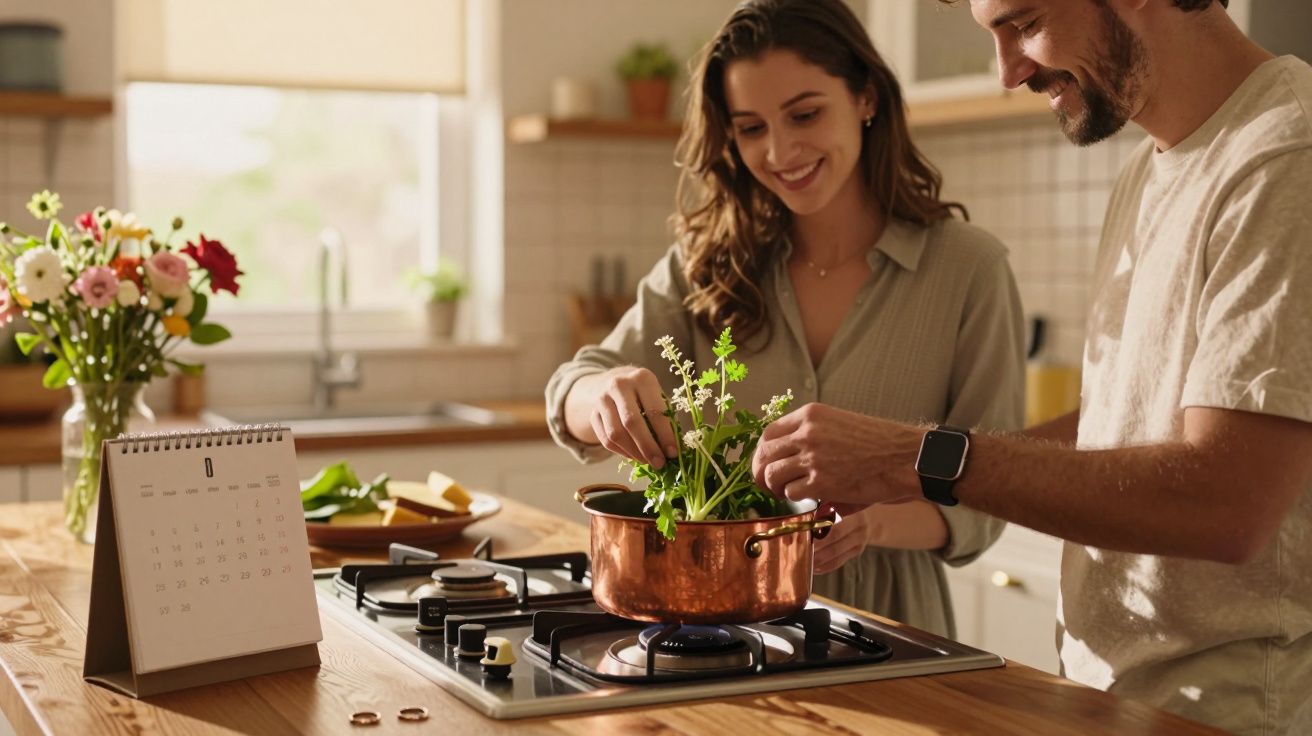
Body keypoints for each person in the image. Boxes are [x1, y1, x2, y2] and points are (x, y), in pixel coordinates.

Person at [750, 1, 1312, 733]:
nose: (1008, 70)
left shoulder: (1283, 160)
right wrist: (898, 478)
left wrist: (918, 457)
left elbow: (1226, 502)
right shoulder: (1152, 167)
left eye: (1024, 23)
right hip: (1118, 695)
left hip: (1230, 710)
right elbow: (1124, 421)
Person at [545, 0, 1026, 639]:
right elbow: (575, 385)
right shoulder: (706, 265)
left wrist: (872, 521)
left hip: (886, 626)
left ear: (865, 97)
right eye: (749, 128)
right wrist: (598, 395)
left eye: (804, 114)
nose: (779, 151)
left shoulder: (969, 269)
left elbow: (987, 494)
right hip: (715, 618)